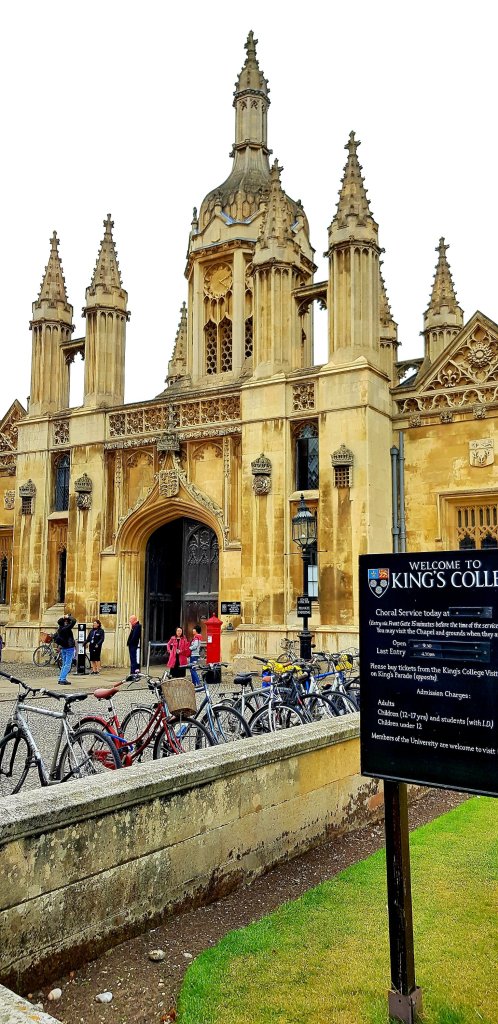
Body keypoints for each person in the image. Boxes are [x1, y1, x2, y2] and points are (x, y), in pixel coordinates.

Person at [56, 612, 76, 686]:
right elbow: (74, 621)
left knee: (64, 664)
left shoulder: (60, 628)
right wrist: (68, 617)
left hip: (63, 648)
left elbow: (59, 621)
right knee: (68, 665)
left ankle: (61, 678)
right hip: (69, 648)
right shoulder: (66, 628)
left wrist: (63, 617)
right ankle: (63, 679)